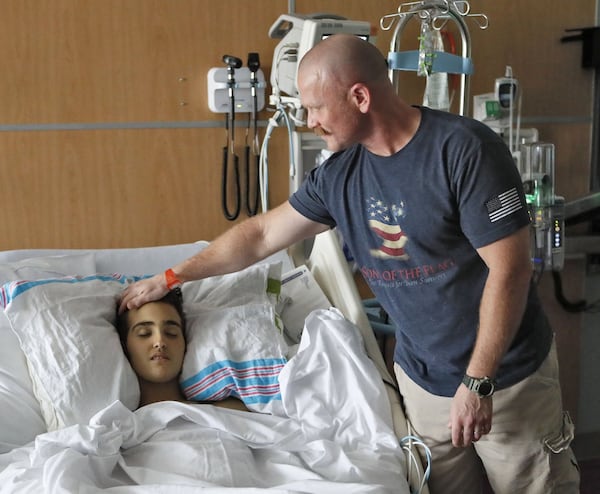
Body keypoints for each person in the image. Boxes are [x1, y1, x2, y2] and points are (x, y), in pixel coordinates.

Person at [119, 34, 579, 492]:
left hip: (504, 379)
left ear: (359, 97)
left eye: (316, 107)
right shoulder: (340, 174)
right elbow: (258, 236)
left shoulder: (463, 151)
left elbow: (511, 269)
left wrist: (478, 383)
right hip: (423, 383)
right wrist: (172, 277)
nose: (309, 121)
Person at [116, 289, 248, 411]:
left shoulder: (229, 411)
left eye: (171, 333)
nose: (160, 342)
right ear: (125, 346)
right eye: (144, 333)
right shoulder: (120, 427)